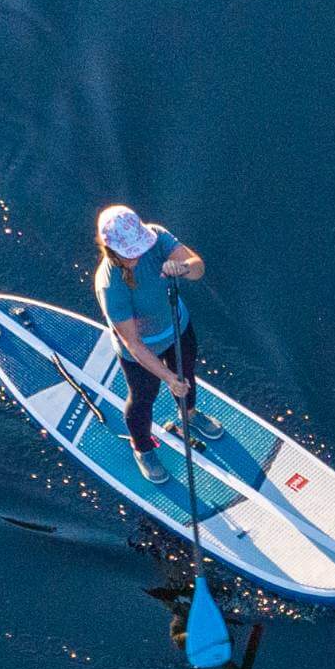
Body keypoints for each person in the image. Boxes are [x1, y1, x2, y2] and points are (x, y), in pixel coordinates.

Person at [93, 202, 211, 479]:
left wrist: (182, 267)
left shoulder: (157, 237)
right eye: (129, 253)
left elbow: (198, 269)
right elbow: (134, 344)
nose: (138, 256)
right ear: (111, 251)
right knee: (144, 397)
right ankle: (142, 448)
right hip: (140, 351)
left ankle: (189, 414)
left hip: (178, 329)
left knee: (187, 376)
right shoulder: (110, 284)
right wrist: (167, 377)